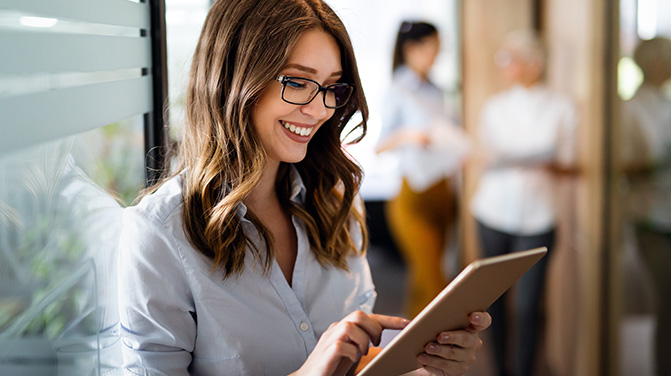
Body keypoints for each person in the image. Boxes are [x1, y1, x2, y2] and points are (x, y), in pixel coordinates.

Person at [117, 1, 490, 375]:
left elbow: (356, 360)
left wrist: (422, 364)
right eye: (296, 82)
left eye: (331, 87)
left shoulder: (335, 204)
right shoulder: (159, 235)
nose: (320, 110)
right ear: (232, 77)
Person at [469, 29, 578, 376]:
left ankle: (525, 369)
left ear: (534, 63)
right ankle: (500, 369)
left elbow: (570, 162)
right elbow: (486, 155)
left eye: (510, 58)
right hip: (492, 212)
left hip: (539, 216)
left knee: (530, 306)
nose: (504, 65)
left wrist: (550, 163)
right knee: (494, 303)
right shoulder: (495, 107)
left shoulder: (561, 107)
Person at [376, 21, 471, 318]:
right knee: (435, 285)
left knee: (422, 283)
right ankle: (431, 354)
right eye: (433, 48)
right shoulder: (398, 90)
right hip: (413, 193)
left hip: (443, 191)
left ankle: (411, 357)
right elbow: (379, 146)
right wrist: (409, 135)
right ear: (411, 49)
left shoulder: (437, 91)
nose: (437, 55)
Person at [620, 36, 671, 376]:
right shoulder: (630, 109)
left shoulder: (666, 103)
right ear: (655, 64)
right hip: (653, 219)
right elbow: (624, 165)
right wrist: (660, 164)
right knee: (667, 304)